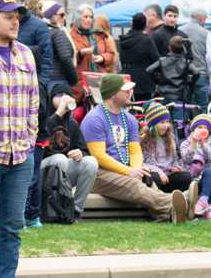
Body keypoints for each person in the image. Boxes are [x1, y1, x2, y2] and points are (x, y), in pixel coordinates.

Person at [82, 73, 197, 222]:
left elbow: (135, 150)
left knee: (145, 179)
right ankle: (184, 202)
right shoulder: (94, 119)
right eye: (125, 90)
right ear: (112, 94)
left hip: (125, 168)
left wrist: (136, 169)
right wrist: (129, 171)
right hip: (99, 173)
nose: (130, 92)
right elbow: (99, 156)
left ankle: (168, 215)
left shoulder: (129, 119)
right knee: (134, 184)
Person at [115, 11, 162, 101]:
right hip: (144, 81)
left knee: (128, 109)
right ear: (145, 25)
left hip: (126, 78)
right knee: (143, 110)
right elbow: (156, 60)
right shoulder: (147, 40)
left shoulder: (123, 40)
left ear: (131, 23)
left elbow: (121, 59)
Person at [173, 4, 211, 99]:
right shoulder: (206, 33)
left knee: (184, 105)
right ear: (201, 19)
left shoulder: (179, 31)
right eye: (205, 19)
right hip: (201, 75)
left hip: (182, 74)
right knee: (202, 106)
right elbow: (210, 58)